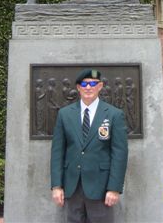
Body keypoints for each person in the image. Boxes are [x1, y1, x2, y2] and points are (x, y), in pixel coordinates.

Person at [50, 68, 129, 223]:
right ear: (78, 88)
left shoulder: (114, 114)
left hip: (101, 187)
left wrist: (114, 188)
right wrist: (56, 186)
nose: (88, 87)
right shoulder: (64, 114)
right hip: (72, 187)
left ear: (100, 86)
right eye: (84, 84)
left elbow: (119, 154)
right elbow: (57, 152)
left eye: (93, 83)